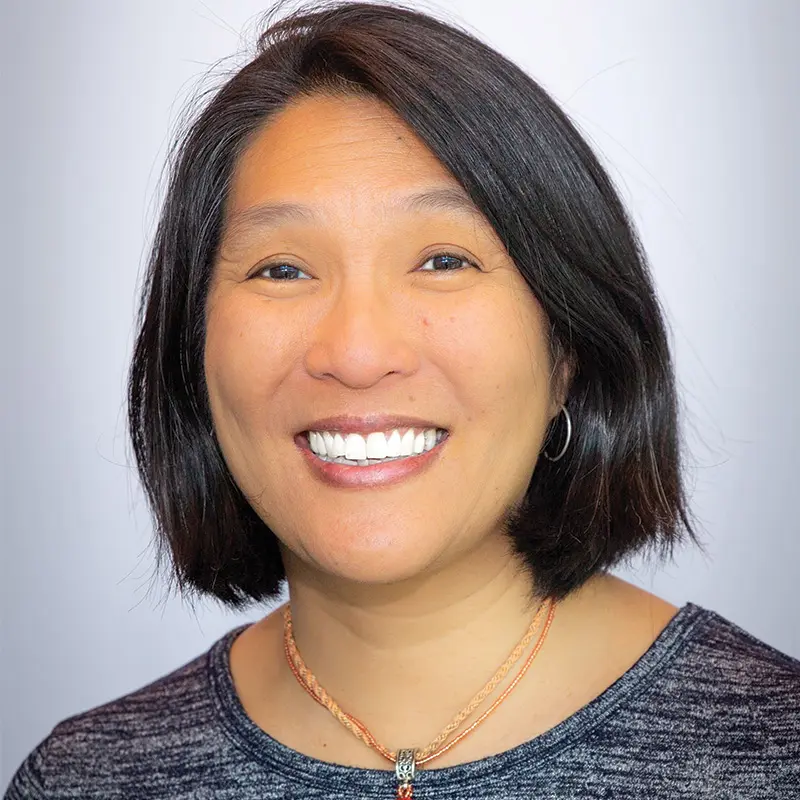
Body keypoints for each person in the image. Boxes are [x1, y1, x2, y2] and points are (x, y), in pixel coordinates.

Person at [6, 2, 799, 798]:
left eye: (443, 259)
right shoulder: (84, 779)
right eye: (281, 269)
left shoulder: (772, 756)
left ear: (567, 349)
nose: (356, 354)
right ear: (193, 350)